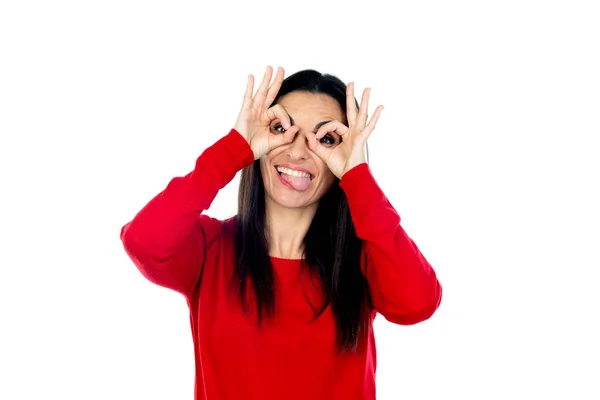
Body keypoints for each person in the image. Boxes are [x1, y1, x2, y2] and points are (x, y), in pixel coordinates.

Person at [120, 66, 442, 400]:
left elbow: (418, 303)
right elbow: (143, 240)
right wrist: (232, 150)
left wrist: (357, 177)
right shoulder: (210, 248)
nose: (298, 151)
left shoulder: (365, 257)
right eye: (281, 129)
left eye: (326, 140)